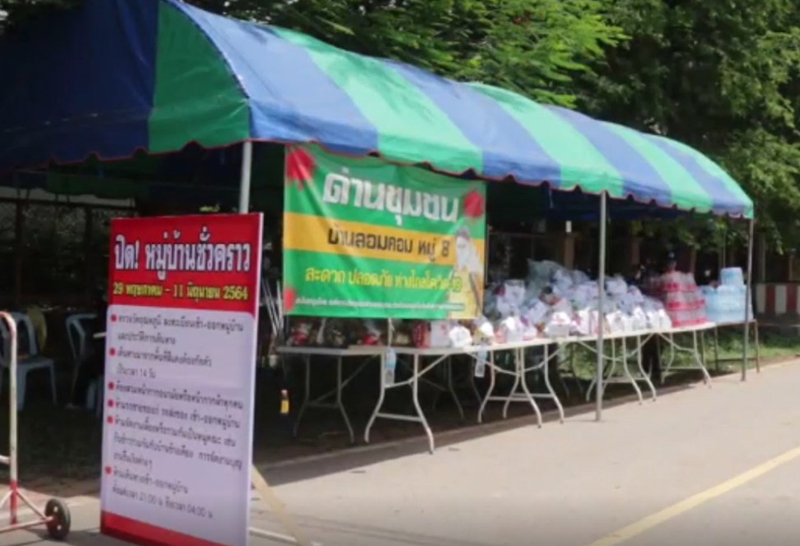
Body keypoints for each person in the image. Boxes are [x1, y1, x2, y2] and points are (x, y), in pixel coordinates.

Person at [70, 289, 107, 409]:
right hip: (105, 356)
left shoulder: (106, 313)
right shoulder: (105, 313)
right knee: (87, 365)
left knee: (86, 367)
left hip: (108, 360)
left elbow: (95, 337)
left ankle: (77, 402)